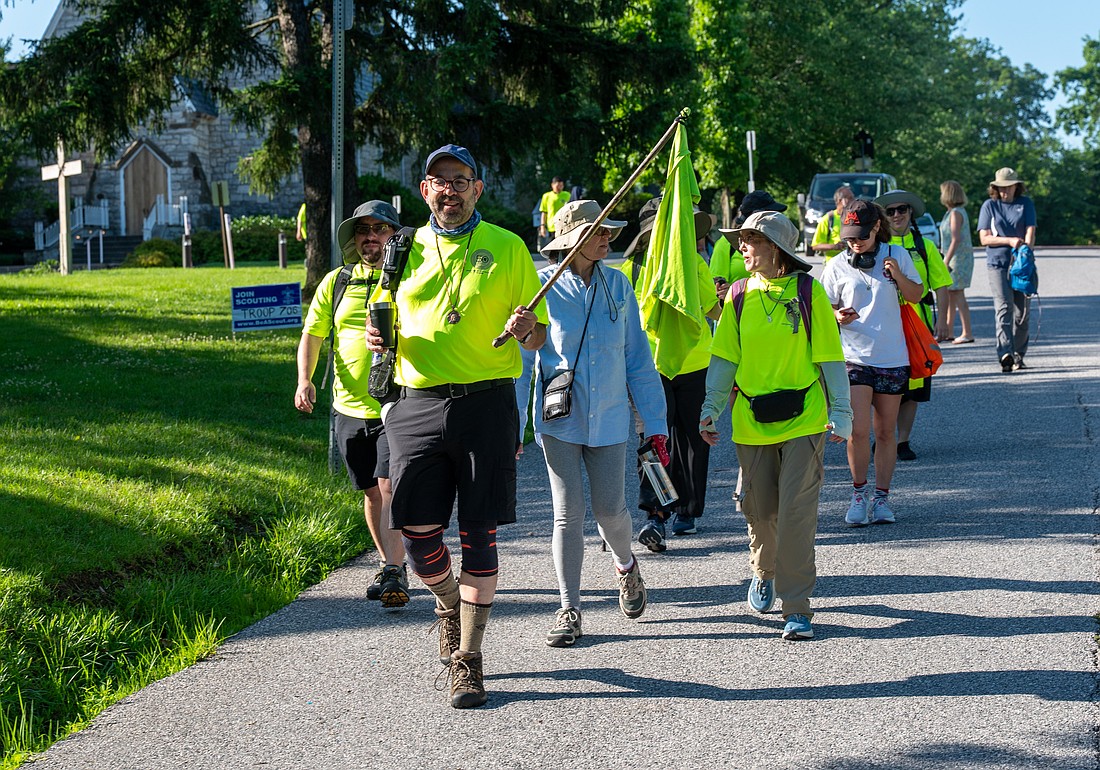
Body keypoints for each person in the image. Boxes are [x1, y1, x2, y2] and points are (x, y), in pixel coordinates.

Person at [365, 144, 547, 709]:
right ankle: (447, 600)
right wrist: (380, 341)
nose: (449, 189)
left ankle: (468, 659)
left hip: (486, 404)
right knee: (418, 534)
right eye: (439, 180)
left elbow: (540, 337)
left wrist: (526, 330)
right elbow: (382, 314)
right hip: (416, 403)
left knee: (478, 531)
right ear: (425, 190)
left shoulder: (508, 247)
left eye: (460, 179)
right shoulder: (402, 248)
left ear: (478, 188)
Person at [700, 211, 850, 641]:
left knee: (796, 515)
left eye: (750, 240)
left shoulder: (809, 292)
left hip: (805, 419)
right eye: (740, 239)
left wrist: (842, 412)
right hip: (751, 421)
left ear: (776, 248)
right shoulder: (739, 296)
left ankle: (797, 607)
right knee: (761, 512)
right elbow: (724, 359)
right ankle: (763, 570)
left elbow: (830, 358)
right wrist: (710, 409)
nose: (740, 247)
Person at [530, 200, 667, 647]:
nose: (608, 238)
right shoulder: (541, 291)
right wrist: (513, 427)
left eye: (609, 231)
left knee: (611, 510)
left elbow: (638, 359)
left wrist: (655, 420)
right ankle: (569, 608)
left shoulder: (619, 285)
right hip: (560, 421)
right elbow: (521, 363)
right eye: (598, 232)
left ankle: (626, 567)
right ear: (571, 242)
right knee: (567, 514)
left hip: (609, 418)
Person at [294, 200, 408, 608]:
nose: (371, 237)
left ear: (394, 235)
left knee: (388, 485)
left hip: (397, 402)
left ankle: (395, 570)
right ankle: (387, 561)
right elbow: (312, 334)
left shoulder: (408, 277)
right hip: (348, 406)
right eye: (363, 230)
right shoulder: (337, 282)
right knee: (370, 493)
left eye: (379, 229)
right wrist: (304, 380)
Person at [620, 197, 722, 547]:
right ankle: (657, 513)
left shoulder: (693, 263)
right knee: (653, 442)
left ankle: (687, 510)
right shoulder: (629, 270)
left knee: (694, 441)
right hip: (648, 370)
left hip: (696, 364)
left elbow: (712, 310)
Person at [820, 200, 924, 527]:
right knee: (857, 430)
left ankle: (881, 498)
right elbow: (823, 310)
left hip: (892, 357)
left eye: (861, 236)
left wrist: (896, 275)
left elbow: (917, 294)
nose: (855, 242)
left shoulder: (899, 255)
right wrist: (836, 315)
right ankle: (858, 494)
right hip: (853, 357)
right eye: (850, 237)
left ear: (876, 227)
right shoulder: (836, 265)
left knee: (885, 432)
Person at [874, 190, 951, 462]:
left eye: (902, 210)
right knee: (883, 384)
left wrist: (944, 320)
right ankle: (884, 437)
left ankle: (902, 441)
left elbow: (941, 285)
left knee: (914, 385)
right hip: (881, 323)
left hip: (916, 325)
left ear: (910, 213)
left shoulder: (924, 246)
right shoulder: (876, 245)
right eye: (891, 211)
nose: (897, 215)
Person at [977, 167, 1036, 373]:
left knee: (1022, 313)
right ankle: (1005, 353)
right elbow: (984, 238)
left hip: (1021, 265)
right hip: (998, 263)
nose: (1004, 191)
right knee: (1004, 308)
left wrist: (1025, 251)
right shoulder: (989, 206)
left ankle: (1019, 354)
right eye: (1000, 188)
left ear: (1016, 187)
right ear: (995, 188)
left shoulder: (1025, 203)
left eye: (1008, 187)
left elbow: (1030, 231)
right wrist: (1010, 240)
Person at [710, 190, 788, 304]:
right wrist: (733, 293)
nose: (742, 247)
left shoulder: (780, 242)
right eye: (770, 214)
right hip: (738, 311)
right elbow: (716, 284)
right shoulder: (726, 244)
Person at [939, 180, 975, 344]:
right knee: (950, 294)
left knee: (958, 293)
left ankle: (967, 332)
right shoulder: (953, 212)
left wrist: (945, 261)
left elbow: (956, 239)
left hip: (957, 259)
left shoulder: (955, 213)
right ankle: (949, 330)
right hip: (956, 257)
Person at [810, 186, 856, 262]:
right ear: (840, 200)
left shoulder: (855, 217)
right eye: (850, 198)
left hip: (852, 263)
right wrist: (835, 246)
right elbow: (815, 246)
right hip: (832, 264)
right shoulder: (828, 219)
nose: (853, 201)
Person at [538, 177, 571, 251]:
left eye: (561, 186)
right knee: (553, 248)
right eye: (557, 185)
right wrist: (542, 226)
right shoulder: (546, 196)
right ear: (552, 185)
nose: (559, 188)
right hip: (552, 226)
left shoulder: (567, 195)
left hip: (565, 225)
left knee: (564, 247)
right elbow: (544, 212)